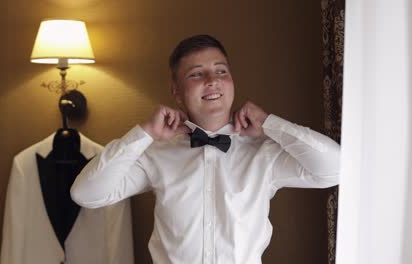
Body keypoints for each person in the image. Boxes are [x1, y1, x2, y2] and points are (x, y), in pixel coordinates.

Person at [70, 34, 340, 264]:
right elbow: (86, 194)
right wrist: (145, 134)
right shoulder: (156, 153)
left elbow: (335, 169)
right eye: (197, 74)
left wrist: (271, 124)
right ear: (176, 91)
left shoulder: (264, 153)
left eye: (221, 70)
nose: (213, 80)